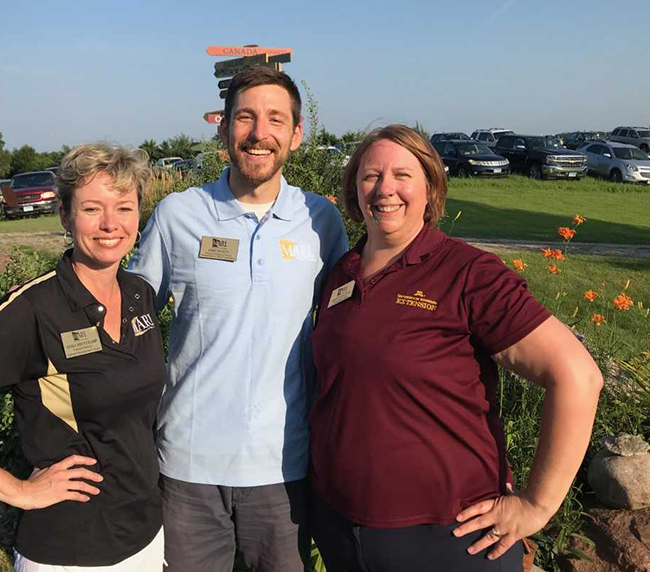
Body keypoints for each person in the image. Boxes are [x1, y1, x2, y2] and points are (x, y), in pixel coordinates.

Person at [308, 125, 603, 572]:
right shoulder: (341, 273)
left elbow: (577, 376)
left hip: (449, 541)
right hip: (343, 531)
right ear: (354, 189)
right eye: (370, 176)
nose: (385, 188)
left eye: (402, 174)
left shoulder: (467, 274)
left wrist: (537, 505)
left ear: (430, 187)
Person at [0, 143, 166, 571]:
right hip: (71, 550)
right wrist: (18, 491)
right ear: (64, 215)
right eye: (92, 209)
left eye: (124, 208)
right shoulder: (33, 309)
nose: (110, 224)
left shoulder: (139, 295)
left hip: (147, 535)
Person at [127, 66, 348, 571]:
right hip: (188, 469)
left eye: (275, 118)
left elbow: (348, 334)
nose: (258, 132)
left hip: (284, 468)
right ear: (223, 128)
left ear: (296, 134)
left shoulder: (321, 221)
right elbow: (129, 325)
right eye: (244, 117)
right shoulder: (178, 215)